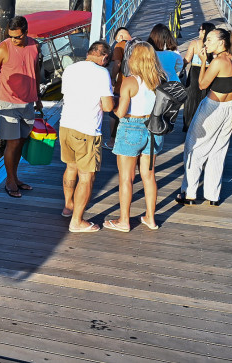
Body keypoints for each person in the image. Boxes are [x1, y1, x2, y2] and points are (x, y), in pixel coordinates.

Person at [178, 29, 232, 206]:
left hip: (212, 107)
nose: (205, 43)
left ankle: (189, 193)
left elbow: (202, 85)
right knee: (218, 152)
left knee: (194, 148)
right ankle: (213, 195)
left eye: (209, 40)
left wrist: (202, 62)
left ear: (221, 43)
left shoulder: (218, 61)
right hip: (229, 108)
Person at [0, 15, 42, 198]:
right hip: (7, 103)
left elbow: (36, 71)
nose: (14, 40)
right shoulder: (3, 48)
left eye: (18, 37)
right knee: (12, 143)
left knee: (21, 142)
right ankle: (10, 180)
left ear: (26, 32)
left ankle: (15, 177)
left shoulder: (35, 45)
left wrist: (37, 96)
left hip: (28, 102)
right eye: (11, 36)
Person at [105, 42, 164, 232]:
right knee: (149, 176)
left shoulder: (130, 81)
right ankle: (151, 218)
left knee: (126, 178)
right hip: (153, 129)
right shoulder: (159, 79)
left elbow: (121, 113)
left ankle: (124, 221)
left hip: (132, 127)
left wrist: (111, 105)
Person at [58, 41, 115, 232]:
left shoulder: (71, 69)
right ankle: (77, 221)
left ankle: (68, 206)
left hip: (66, 125)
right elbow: (107, 107)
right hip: (87, 130)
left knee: (70, 167)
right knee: (86, 177)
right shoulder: (101, 73)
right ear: (104, 57)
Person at [182, 22, 216, 132]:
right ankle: (205, 124)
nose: (198, 31)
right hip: (209, 72)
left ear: (205, 31)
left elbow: (187, 59)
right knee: (205, 97)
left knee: (191, 98)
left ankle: (189, 124)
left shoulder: (195, 43)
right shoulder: (212, 45)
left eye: (200, 29)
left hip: (195, 72)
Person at [106, 27, 133, 150]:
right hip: (135, 84)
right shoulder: (137, 45)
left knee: (114, 113)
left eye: (116, 38)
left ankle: (112, 140)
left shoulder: (119, 46)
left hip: (122, 84)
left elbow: (117, 64)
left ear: (120, 36)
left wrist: (112, 78)